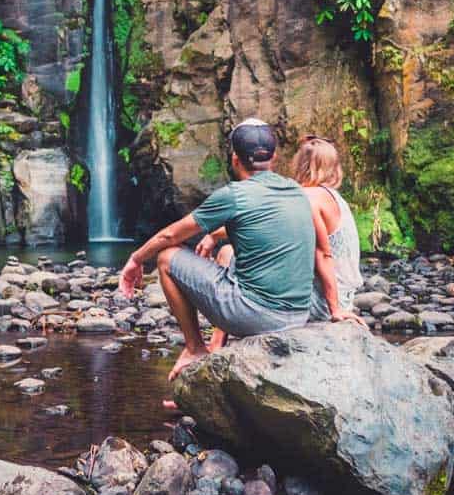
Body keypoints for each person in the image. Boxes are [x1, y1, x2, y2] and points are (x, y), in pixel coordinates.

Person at [119, 119, 323, 381]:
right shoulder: (296, 190)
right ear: (274, 156)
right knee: (228, 253)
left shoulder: (234, 195)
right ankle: (216, 346)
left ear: (235, 159)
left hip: (257, 316)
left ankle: (195, 348)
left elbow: (171, 235)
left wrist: (135, 260)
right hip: (299, 313)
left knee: (167, 258)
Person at [292, 135, 364, 321]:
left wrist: (335, 310)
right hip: (345, 295)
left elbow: (322, 254)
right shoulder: (333, 196)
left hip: (324, 301)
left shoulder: (309, 197)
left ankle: (217, 343)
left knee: (231, 255)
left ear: (301, 164)